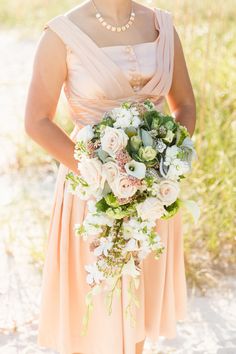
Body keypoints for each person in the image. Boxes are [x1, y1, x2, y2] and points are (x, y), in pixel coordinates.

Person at [24, 1, 196, 353]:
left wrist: (164, 163)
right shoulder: (61, 34)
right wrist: (102, 172)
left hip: (152, 194)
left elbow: (185, 107)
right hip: (92, 192)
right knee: (99, 317)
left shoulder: (161, 26)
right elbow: (37, 121)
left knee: (137, 319)